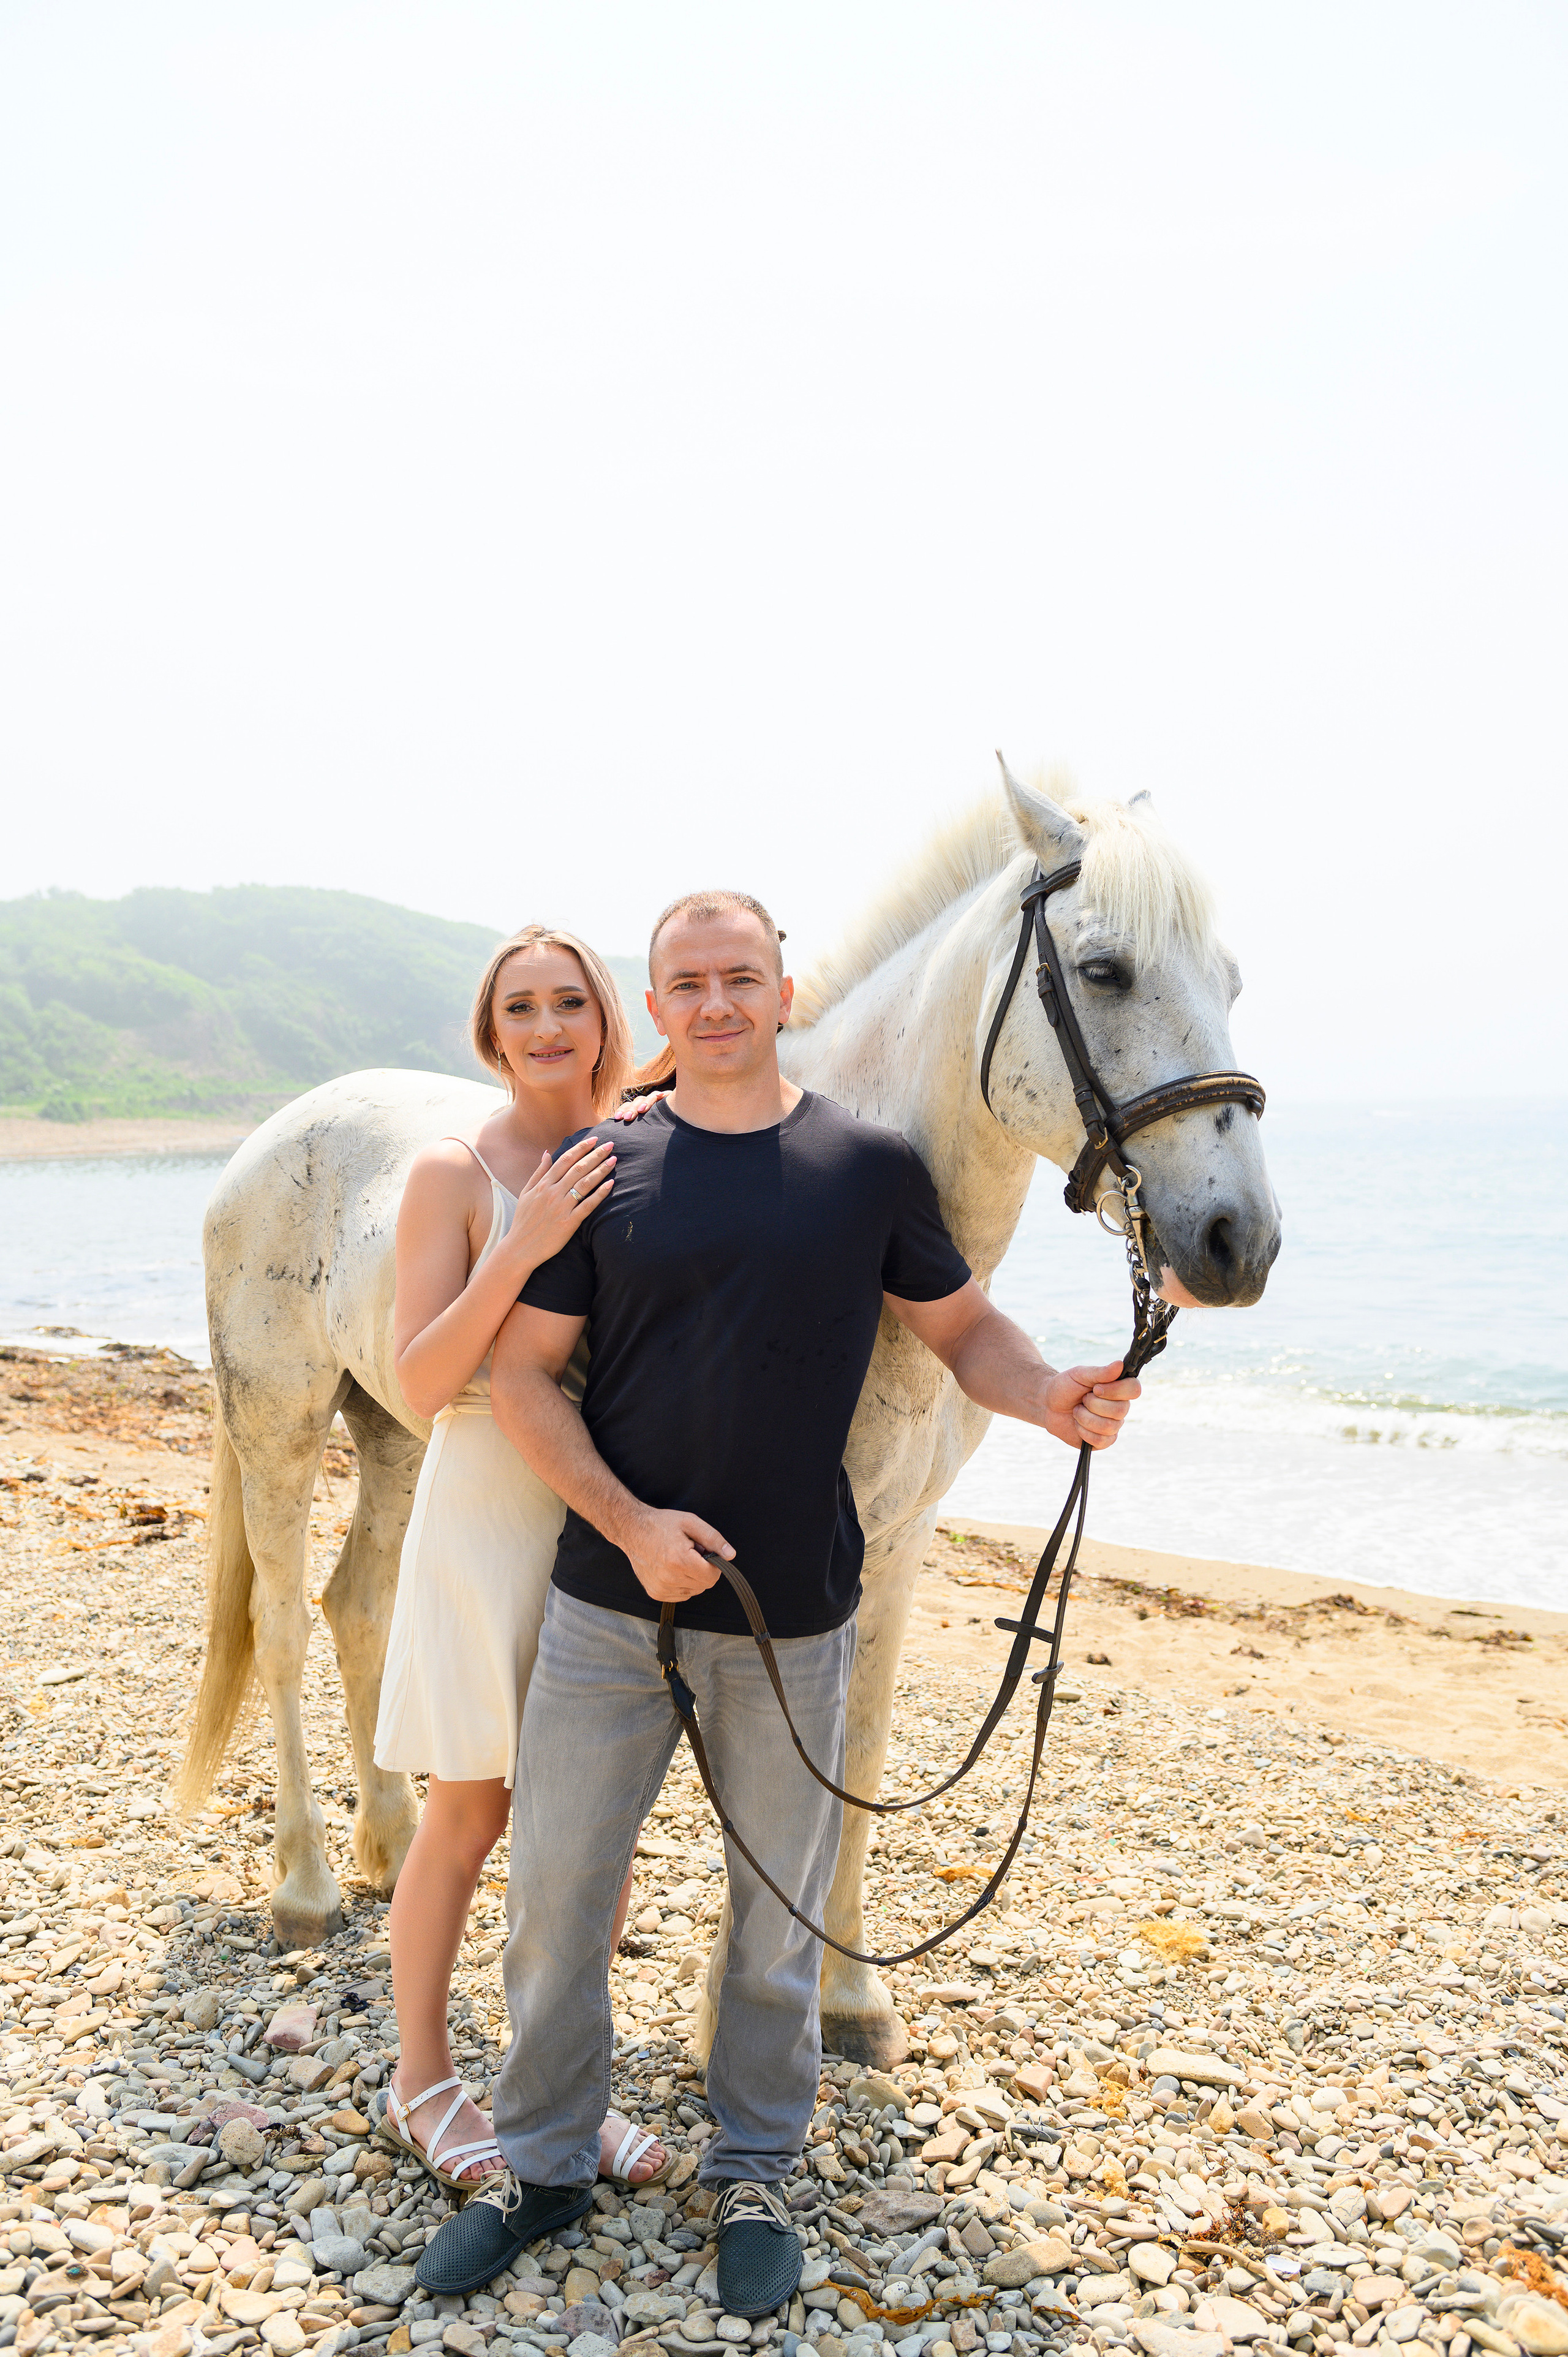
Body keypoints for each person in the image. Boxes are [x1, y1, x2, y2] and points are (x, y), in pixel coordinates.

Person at [415, 890, 1140, 2307]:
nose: (716, 1002)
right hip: (607, 1610)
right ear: (657, 1003)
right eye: (687, 982)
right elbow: (520, 1377)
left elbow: (962, 1330)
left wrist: (1048, 1392)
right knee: (555, 1903)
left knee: (777, 1920)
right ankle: (543, 2165)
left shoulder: (865, 1166)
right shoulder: (603, 1164)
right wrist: (629, 1524)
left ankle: (752, 2168)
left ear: (782, 991)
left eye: (739, 976)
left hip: (792, 1616)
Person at [371, 923, 671, 2193]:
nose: (547, 1026)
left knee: (593, 1825)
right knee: (471, 1807)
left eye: (568, 1002)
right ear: (492, 1033)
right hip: (489, 1502)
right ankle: (421, 2079)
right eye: (521, 1007)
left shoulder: (650, 1146)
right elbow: (418, 1379)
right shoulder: (455, 1170)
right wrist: (523, 1237)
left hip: (605, 1505)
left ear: (606, 1020)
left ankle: (561, 2085)